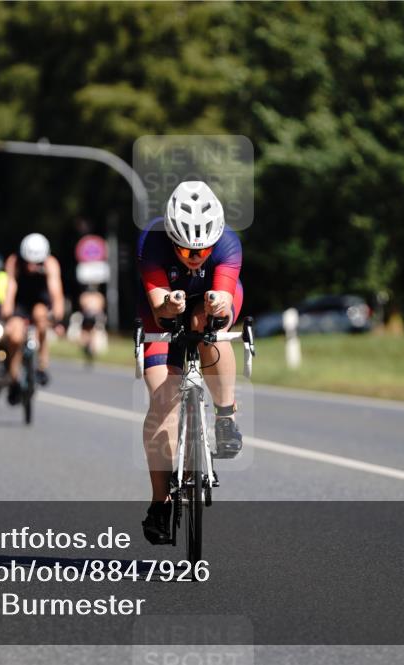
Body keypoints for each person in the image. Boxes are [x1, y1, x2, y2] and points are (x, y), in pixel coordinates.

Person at [136, 181, 244, 545]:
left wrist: (218, 303)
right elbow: (158, 306)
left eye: (203, 250)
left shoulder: (228, 243)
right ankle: (160, 503)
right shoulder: (152, 241)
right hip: (160, 313)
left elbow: (227, 301)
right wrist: (169, 306)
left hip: (209, 303)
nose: (194, 257)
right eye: (184, 249)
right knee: (163, 402)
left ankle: (226, 416)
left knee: (209, 326)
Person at [1, 233, 65, 402]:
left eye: (35, 263)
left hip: (39, 301)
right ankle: (13, 378)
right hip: (20, 303)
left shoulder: (51, 263)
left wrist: (57, 316)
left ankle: (42, 366)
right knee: (14, 337)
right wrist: (7, 312)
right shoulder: (14, 261)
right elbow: (10, 287)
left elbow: (56, 292)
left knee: (41, 317)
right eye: (28, 262)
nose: (31, 266)